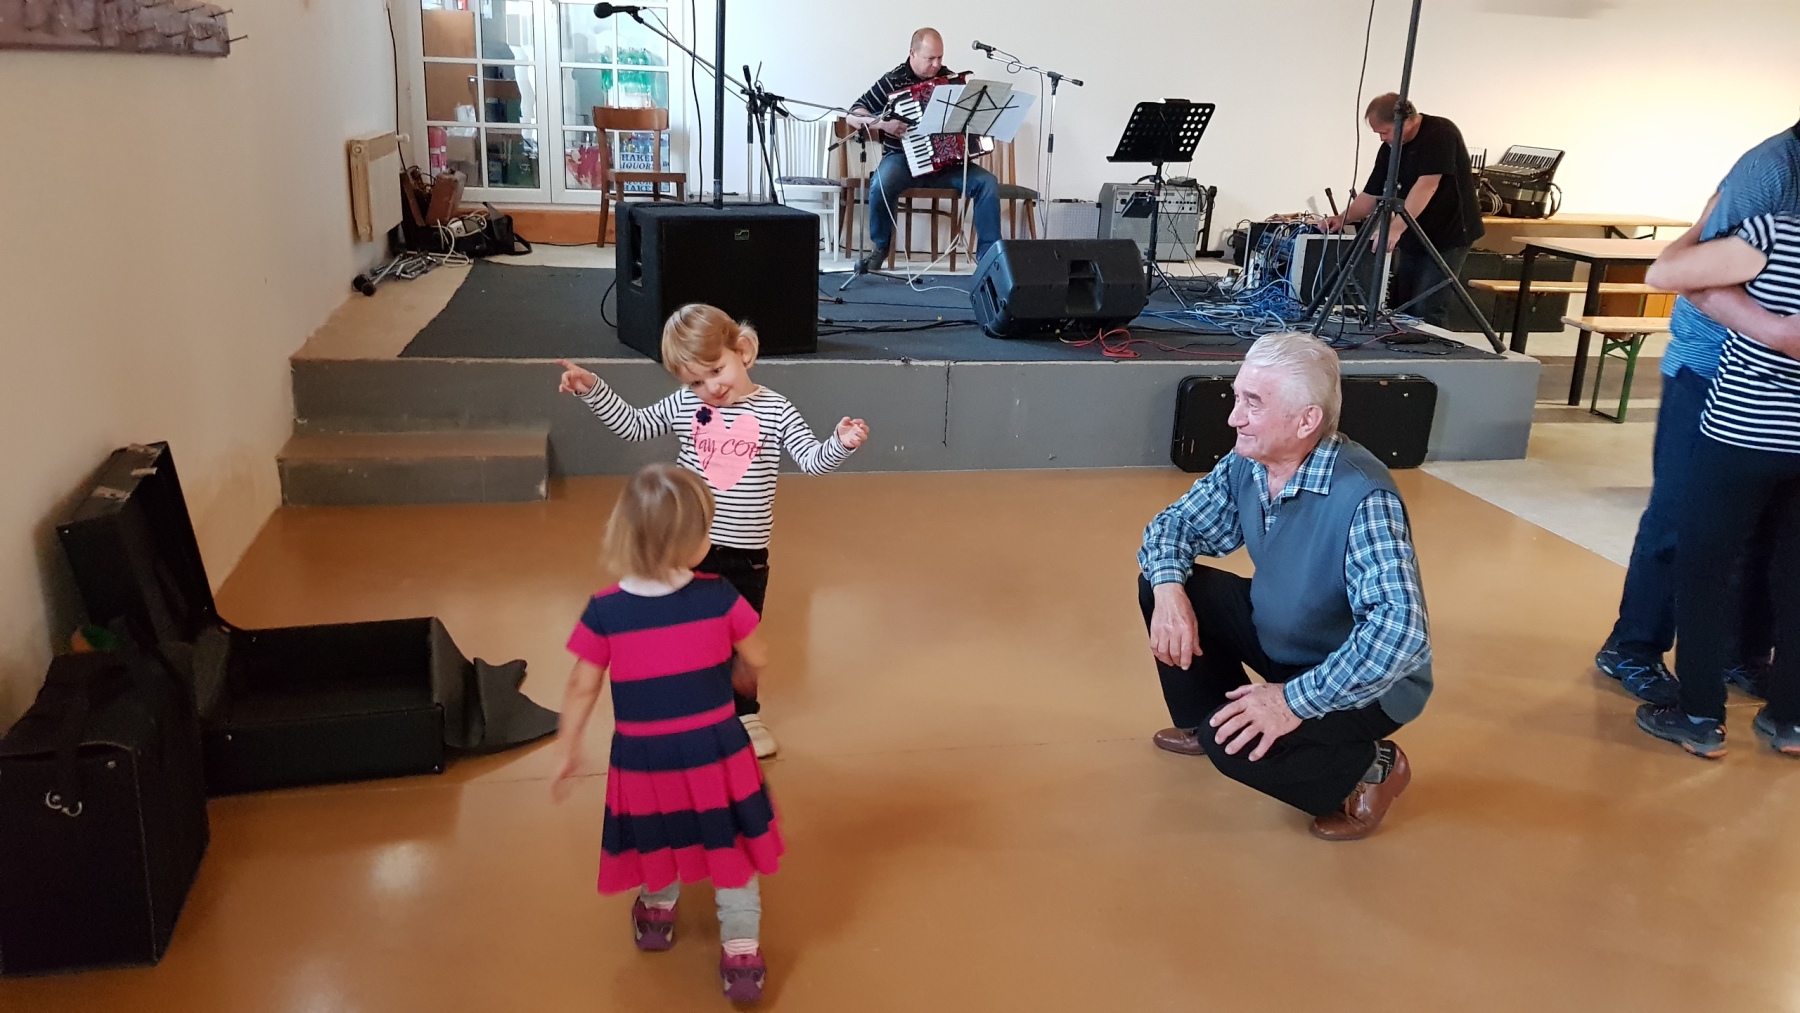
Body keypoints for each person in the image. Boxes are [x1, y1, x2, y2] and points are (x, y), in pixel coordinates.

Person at [1137, 331, 1432, 840]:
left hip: (1361, 681)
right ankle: (1206, 719)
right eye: (1237, 397)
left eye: (1253, 403)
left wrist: (1291, 702)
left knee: (1233, 749)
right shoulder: (1248, 463)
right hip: (1285, 637)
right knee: (1165, 581)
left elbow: (1399, 635)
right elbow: (1174, 527)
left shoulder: (1364, 497)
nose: (1234, 418)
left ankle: (1372, 768)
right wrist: (1167, 592)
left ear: (1306, 420)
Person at [557, 305, 871, 758]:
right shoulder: (687, 405)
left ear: (741, 351)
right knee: (685, 628)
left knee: (741, 635)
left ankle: (744, 714)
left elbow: (811, 461)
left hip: (747, 554)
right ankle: (690, 701)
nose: (711, 388)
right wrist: (593, 389)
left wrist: (839, 443)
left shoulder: (775, 409)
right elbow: (635, 426)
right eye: (696, 382)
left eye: (717, 370)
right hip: (687, 546)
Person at [550, 463, 783, 1001]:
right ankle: (741, 951)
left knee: (657, 832)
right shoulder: (721, 596)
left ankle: (657, 914)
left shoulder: (605, 610)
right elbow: (757, 656)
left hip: (644, 758)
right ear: (696, 542)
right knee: (732, 846)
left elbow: (582, 686)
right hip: (716, 750)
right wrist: (742, 674)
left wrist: (567, 748)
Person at [1594, 119, 1800, 706]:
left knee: (1768, 528)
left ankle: (1742, 653)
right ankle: (1633, 647)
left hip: (1776, 385)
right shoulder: (1772, 171)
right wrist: (1775, 332)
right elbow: (1686, 273)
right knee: (1681, 518)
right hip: (1713, 366)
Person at [1635, 208, 1800, 758]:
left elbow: (1665, 272)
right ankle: (1791, 720)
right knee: (1794, 577)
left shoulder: (1775, 232)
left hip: (1743, 432)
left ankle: (1699, 715)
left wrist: (1708, 221)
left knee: (1705, 569)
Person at [845, 27, 1003, 274]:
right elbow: (854, 113)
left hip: (947, 164)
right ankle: (880, 247)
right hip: (903, 160)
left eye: (940, 57)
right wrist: (883, 124)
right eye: (930, 58)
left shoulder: (950, 80)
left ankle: (990, 257)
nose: (936, 64)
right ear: (913, 53)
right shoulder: (893, 80)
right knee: (881, 183)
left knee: (987, 183)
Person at [1322, 93, 1484, 327]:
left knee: (1427, 306)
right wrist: (1341, 218)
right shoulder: (1390, 148)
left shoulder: (1440, 133)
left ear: (1404, 121)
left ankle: (1429, 347)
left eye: (1384, 132)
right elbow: (1372, 193)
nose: (1382, 138)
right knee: (1402, 303)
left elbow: (1427, 185)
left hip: (1449, 232)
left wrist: (1395, 228)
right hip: (1414, 230)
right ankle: (1400, 342)